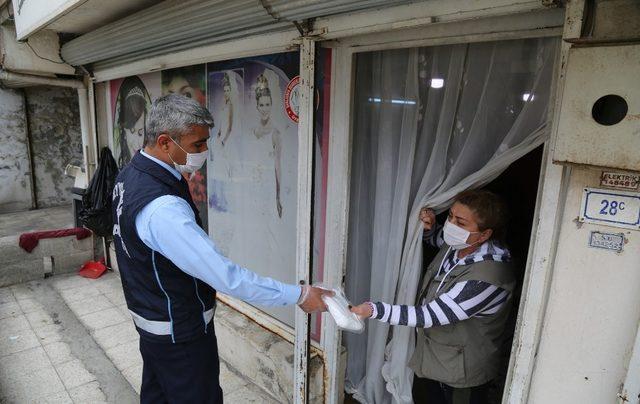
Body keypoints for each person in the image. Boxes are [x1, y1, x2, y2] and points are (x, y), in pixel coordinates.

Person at [111, 94, 330, 403]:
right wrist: (300, 294)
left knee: (158, 396)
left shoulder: (131, 175)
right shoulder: (163, 209)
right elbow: (226, 277)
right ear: (164, 142)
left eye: (206, 142)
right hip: (179, 333)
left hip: (152, 321)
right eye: (197, 145)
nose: (204, 152)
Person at [351, 190, 515, 404]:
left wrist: (373, 309)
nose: (452, 226)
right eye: (450, 217)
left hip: (461, 375)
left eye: (461, 222)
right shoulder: (461, 245)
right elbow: (440, 240)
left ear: (484, 235)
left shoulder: (487, 278)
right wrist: (428, 228)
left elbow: (430, 315)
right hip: (437, 360)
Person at [252, 72, 283, 218]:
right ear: (257, 106)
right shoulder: (252, 131)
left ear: (271, 105)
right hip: (253, 185)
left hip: (268, 186)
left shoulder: (275, 133)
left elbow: (278, 166)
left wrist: (277, 196)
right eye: (261, 105)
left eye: (268, 104)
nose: (265, 108)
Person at [113, 76, 151, 168]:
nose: (138, 143)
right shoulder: (121, 165)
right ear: (124, 131)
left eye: (141, 133)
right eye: (132, 131)